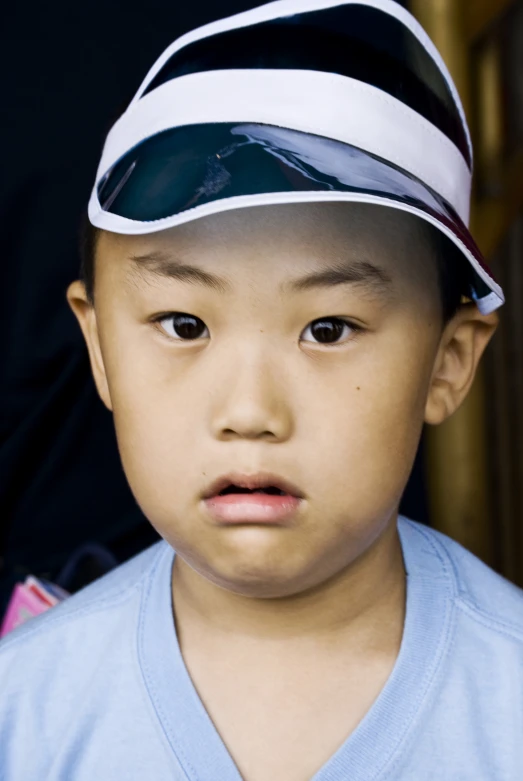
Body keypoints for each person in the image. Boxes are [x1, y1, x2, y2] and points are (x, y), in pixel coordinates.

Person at [0, 1, 521, 779]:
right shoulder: (25, 710)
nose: (249, 413)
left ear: (447, 362)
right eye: (183, 324)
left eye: (328, 328)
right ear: (100, 345)